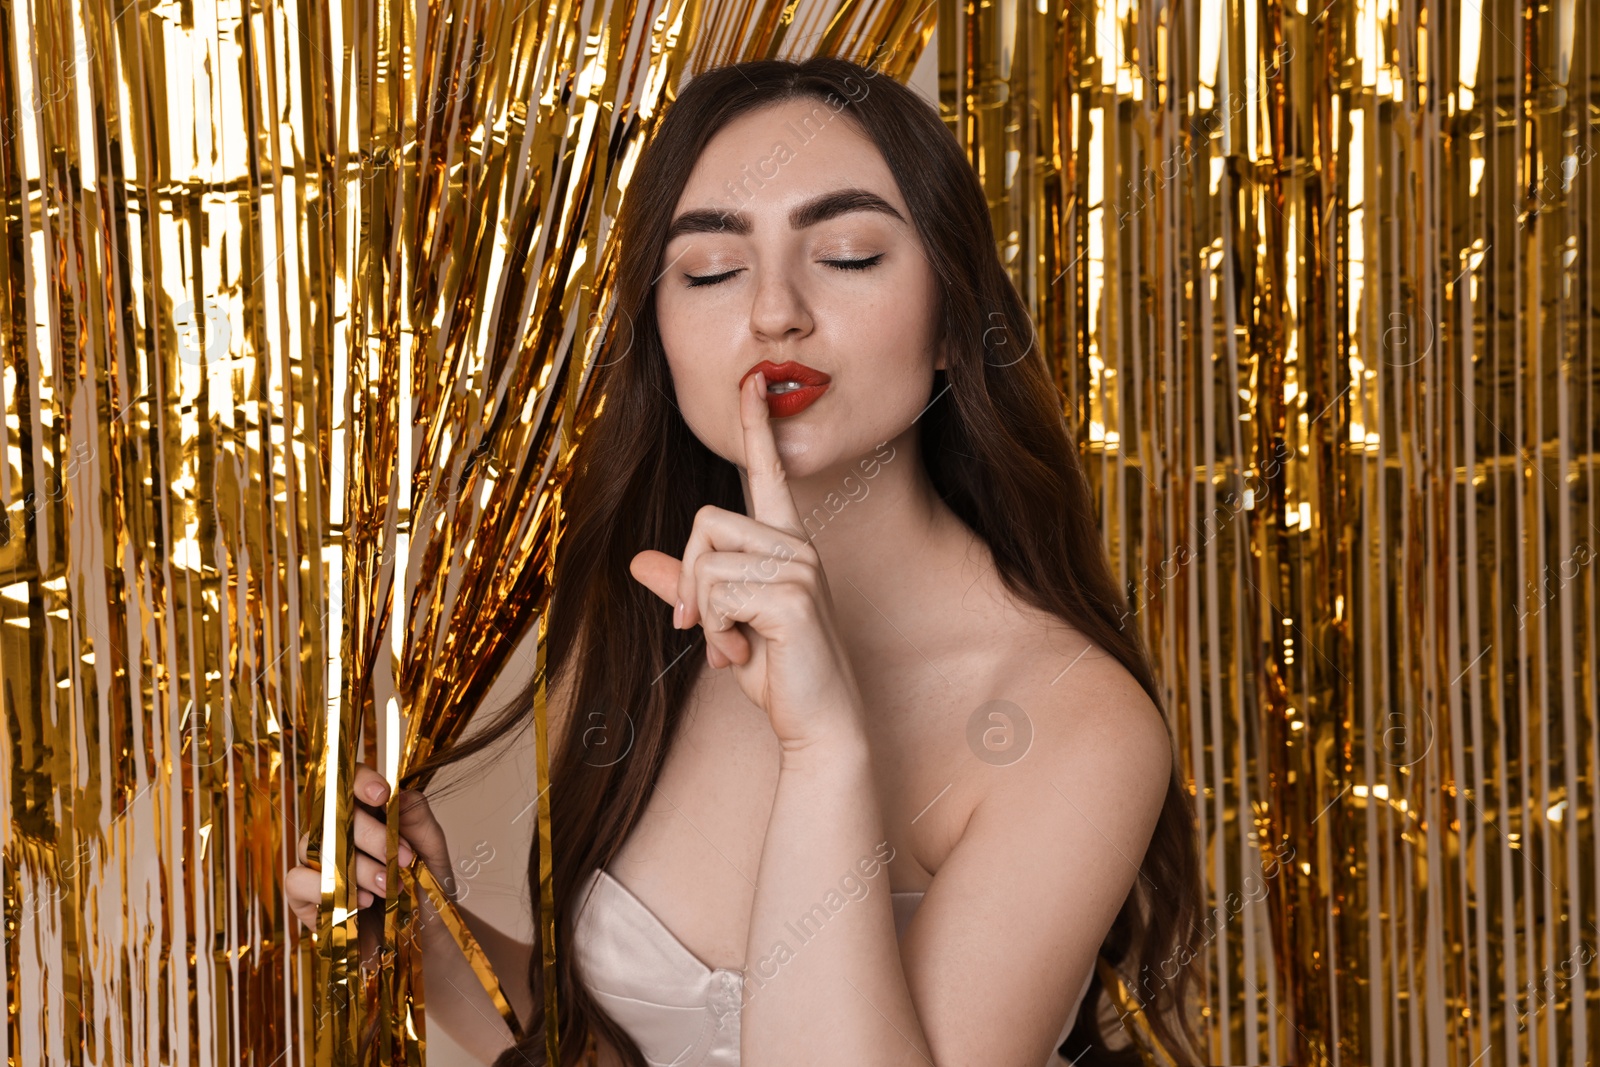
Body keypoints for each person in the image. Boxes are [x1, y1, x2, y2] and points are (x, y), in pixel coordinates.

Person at [287, 54, 1205, 1067]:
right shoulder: (647, 608)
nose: (774, 311)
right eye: (711, 270)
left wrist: (824, 743)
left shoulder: (1071, 713)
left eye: (848, 254)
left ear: (953, 319)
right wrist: (422, 934)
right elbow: (614, 1036)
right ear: (661, 335)